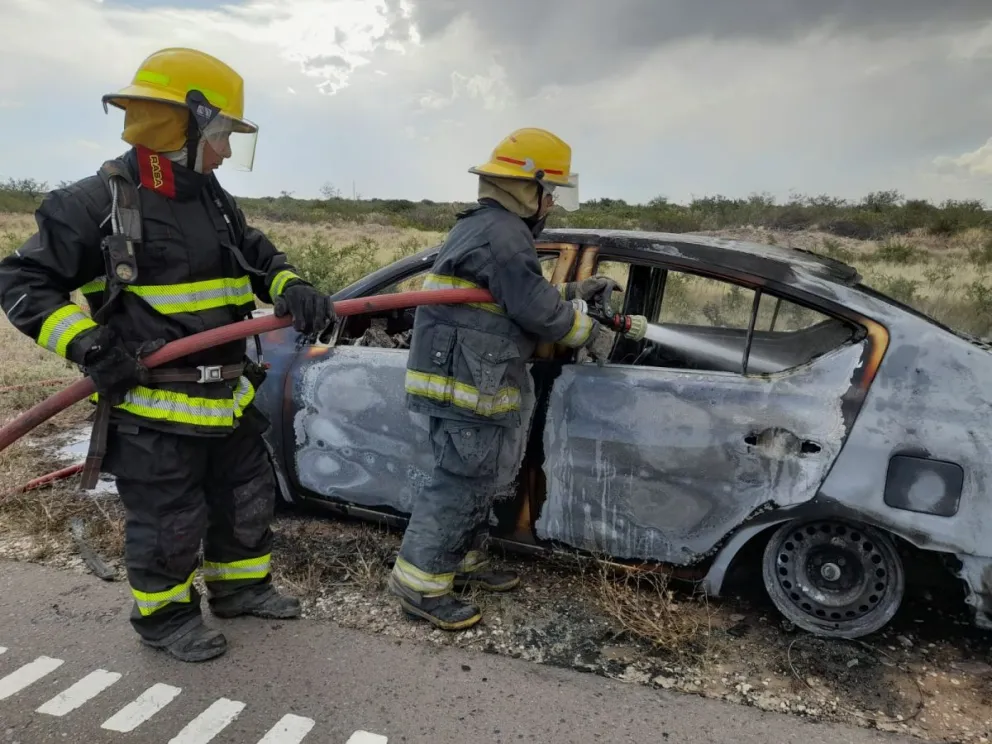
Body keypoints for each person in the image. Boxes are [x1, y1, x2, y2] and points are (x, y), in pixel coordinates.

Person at [0, 47, 335, 662]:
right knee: (169, 521)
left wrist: (293, 287)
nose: (227, 151)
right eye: (221, 134)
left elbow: (257, 255)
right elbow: (22, 282)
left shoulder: (211, 197)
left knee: (245, 497)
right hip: (154, 406)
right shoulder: (92, 203)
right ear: (186, 122)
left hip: (226, 398)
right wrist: (88, 342)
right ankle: (165, 621)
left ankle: (240, 590)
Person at [388, 127, 619, 630]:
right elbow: (533, 306)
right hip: (466, 383)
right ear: (526, 186)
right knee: (460, 483)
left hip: (474, 377)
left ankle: (462, 562)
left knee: (475, 480)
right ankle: (419, 585)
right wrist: (591, 333)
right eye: (548, 190)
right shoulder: (503, 233)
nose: (552, 202)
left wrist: (577, 288)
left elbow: (512, 293)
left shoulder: (492, 229)